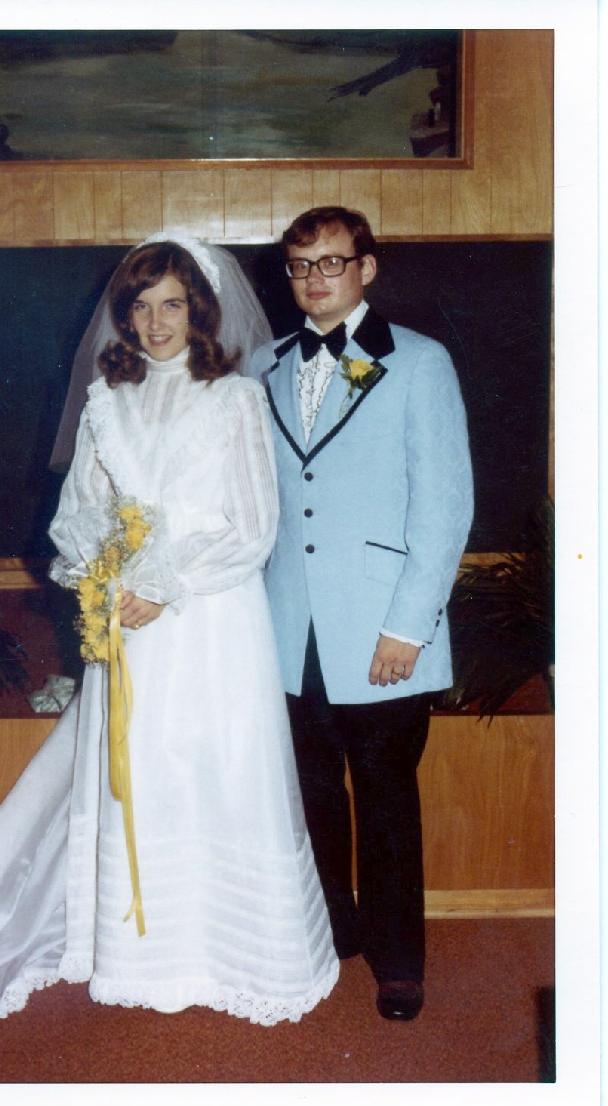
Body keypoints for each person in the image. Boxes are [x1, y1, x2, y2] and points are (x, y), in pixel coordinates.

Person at [0, 234, 339, 1045]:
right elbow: (76, 514)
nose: (156, 322)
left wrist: (162, 581)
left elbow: (254, 527)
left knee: (215, 761)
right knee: (141, 767)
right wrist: (99, 573)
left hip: (213, 617)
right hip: (129, 623)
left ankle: (236, 952)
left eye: (172, 305)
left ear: (200, 311)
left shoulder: (235, 399)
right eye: (141, 307)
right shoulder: (108, 402)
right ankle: (145, 952)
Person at [250, 206, 473, 1022]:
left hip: (383, 629)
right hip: (288, 629)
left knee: (384, 799)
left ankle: (399, 962)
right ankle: (334, 929)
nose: (315, 279)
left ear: (366, 268)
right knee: (309, 793)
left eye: (332, 262)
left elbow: (445, 509)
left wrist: (407, 626)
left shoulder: (420, 362)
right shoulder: (264, 365)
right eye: (300, 265)